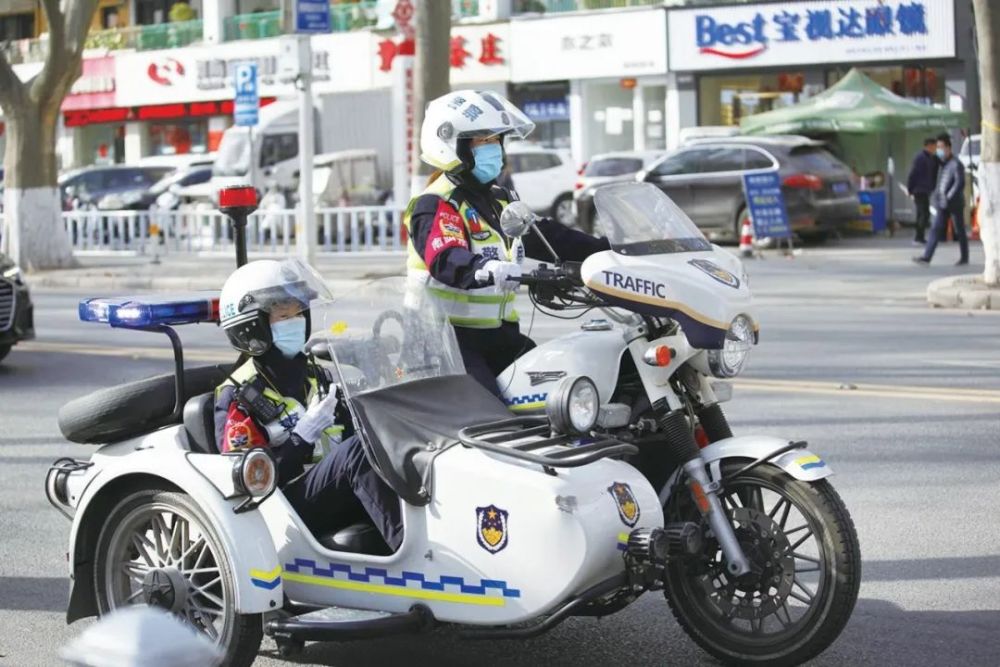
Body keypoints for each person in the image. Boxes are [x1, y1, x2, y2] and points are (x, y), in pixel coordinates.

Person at [404, 90, 610, 396]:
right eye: (482, 141)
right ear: (452, 145)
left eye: (496, 140)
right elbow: (446, 257)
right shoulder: (436, 203)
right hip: (446, 341)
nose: (494, 150)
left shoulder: (500, 199)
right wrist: (485, 268)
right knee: (491, 420)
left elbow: (548, 237)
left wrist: (609, 251)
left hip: (499, 337)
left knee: (558, 395)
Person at [215, 259, 402, 551]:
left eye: (300, 312)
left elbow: (356, 435)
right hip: (282, 510)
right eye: (284, 314)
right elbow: (246, 484)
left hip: (331, 493)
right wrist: (301, 438)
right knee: (355, 454)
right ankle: (415, 556)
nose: (297, 320)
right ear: (253, 327)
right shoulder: (238, 395)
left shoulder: (314, 374)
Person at [913, 133, 968, 266]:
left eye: (941, 147)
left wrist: (949, 196)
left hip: (954, 203)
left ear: (949, 148)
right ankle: (927, 257)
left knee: (959, 230)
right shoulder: (943, 164)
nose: (939, 150)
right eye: (937, 147)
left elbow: (960, 183)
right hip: (942, 203)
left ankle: (964, 257)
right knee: (935, 229)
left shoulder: (956, 164)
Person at [906, 137, 940, 245]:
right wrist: (910, 189)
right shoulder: (920, 158)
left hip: (926, 190)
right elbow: (913, 174)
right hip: (919, 190)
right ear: (929, 146)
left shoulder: (932, 158)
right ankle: (918, 237)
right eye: (934, 146)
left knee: (925, 214)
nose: (936, 148)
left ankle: (921, 236)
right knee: (922, 214)